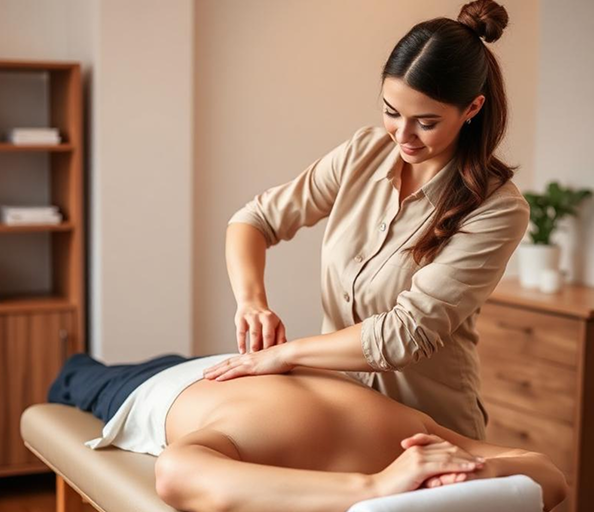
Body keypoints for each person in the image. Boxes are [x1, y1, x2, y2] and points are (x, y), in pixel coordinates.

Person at [204, 0, 530, 441]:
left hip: (432, 428)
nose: (403, 135)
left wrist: (286, 355)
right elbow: (255, 220)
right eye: (392, 112)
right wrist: (251, 302)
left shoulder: (496, 208)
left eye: (426, 122)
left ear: (471, 108)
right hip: (340, 417)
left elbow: (406, 334)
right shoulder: (364, 153)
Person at [48, 352, 567, 512]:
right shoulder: (420, 439)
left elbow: (176, 474)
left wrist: (377, 487)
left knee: (79, 372)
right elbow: (548, 474)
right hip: (236, 364)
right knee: (80, 372)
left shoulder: (412, 444)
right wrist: (476, 472)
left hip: (171, 382)